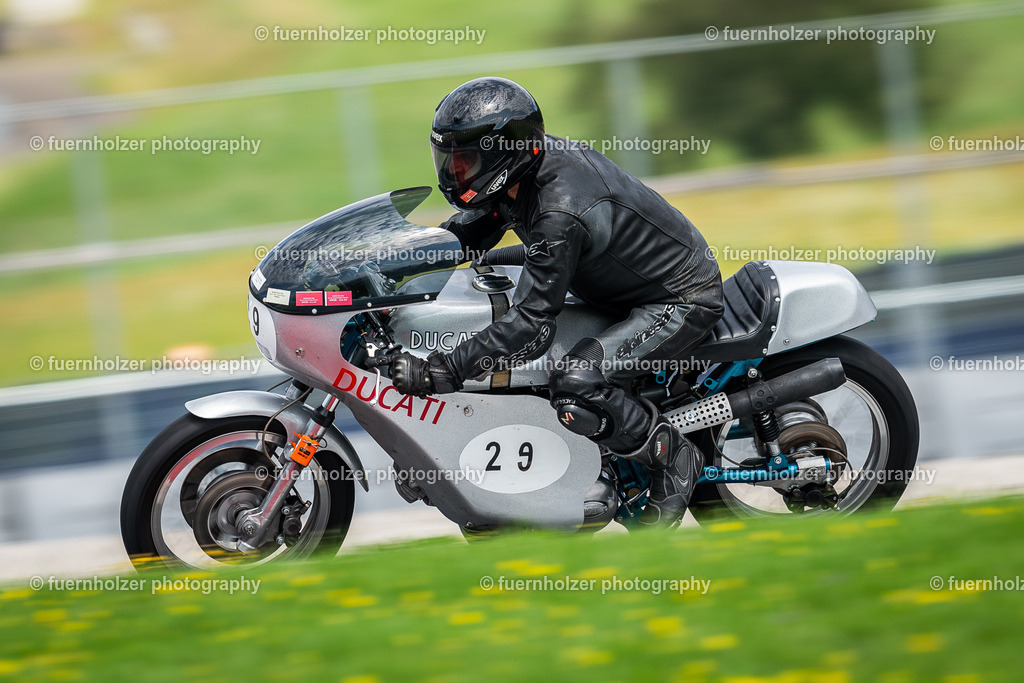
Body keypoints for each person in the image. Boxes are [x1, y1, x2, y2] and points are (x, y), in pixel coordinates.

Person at [390, 76, 723, 527]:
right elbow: (463, 236)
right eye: (449, 159)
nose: (455, 172)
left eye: (465, 161)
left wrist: (444, 369)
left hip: (679, 299)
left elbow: (531, 326)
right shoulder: (520, 176)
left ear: (501, 155)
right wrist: (386, 270)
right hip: (615, 287)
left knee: (575, 380)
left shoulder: (558, 211)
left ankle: (674, 457)